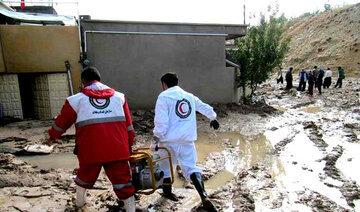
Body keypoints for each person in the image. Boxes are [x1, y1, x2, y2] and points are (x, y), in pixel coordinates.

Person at [48, 67, 136, 211]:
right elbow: (129, 127)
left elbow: (61, 123)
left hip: (90, 150)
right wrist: (129, 147)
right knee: (123, 182)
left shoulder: (75, 100)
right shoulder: (120, 97)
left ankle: (80, 205)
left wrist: (52, 137)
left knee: (83, 178)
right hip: (117, 150)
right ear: (99, 79)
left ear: (83, 81)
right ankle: (130, 209)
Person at [151, 73, 219, 212]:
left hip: (168, 140)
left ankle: (168, 193)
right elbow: (203, 106)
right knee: (191, 167)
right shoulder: (188, 96)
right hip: (187, 139)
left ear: (164, 84)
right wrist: (213, 118)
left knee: (166, 167)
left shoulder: (163, 97)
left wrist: (156, 138)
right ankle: (203, 195)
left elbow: (161, 122)